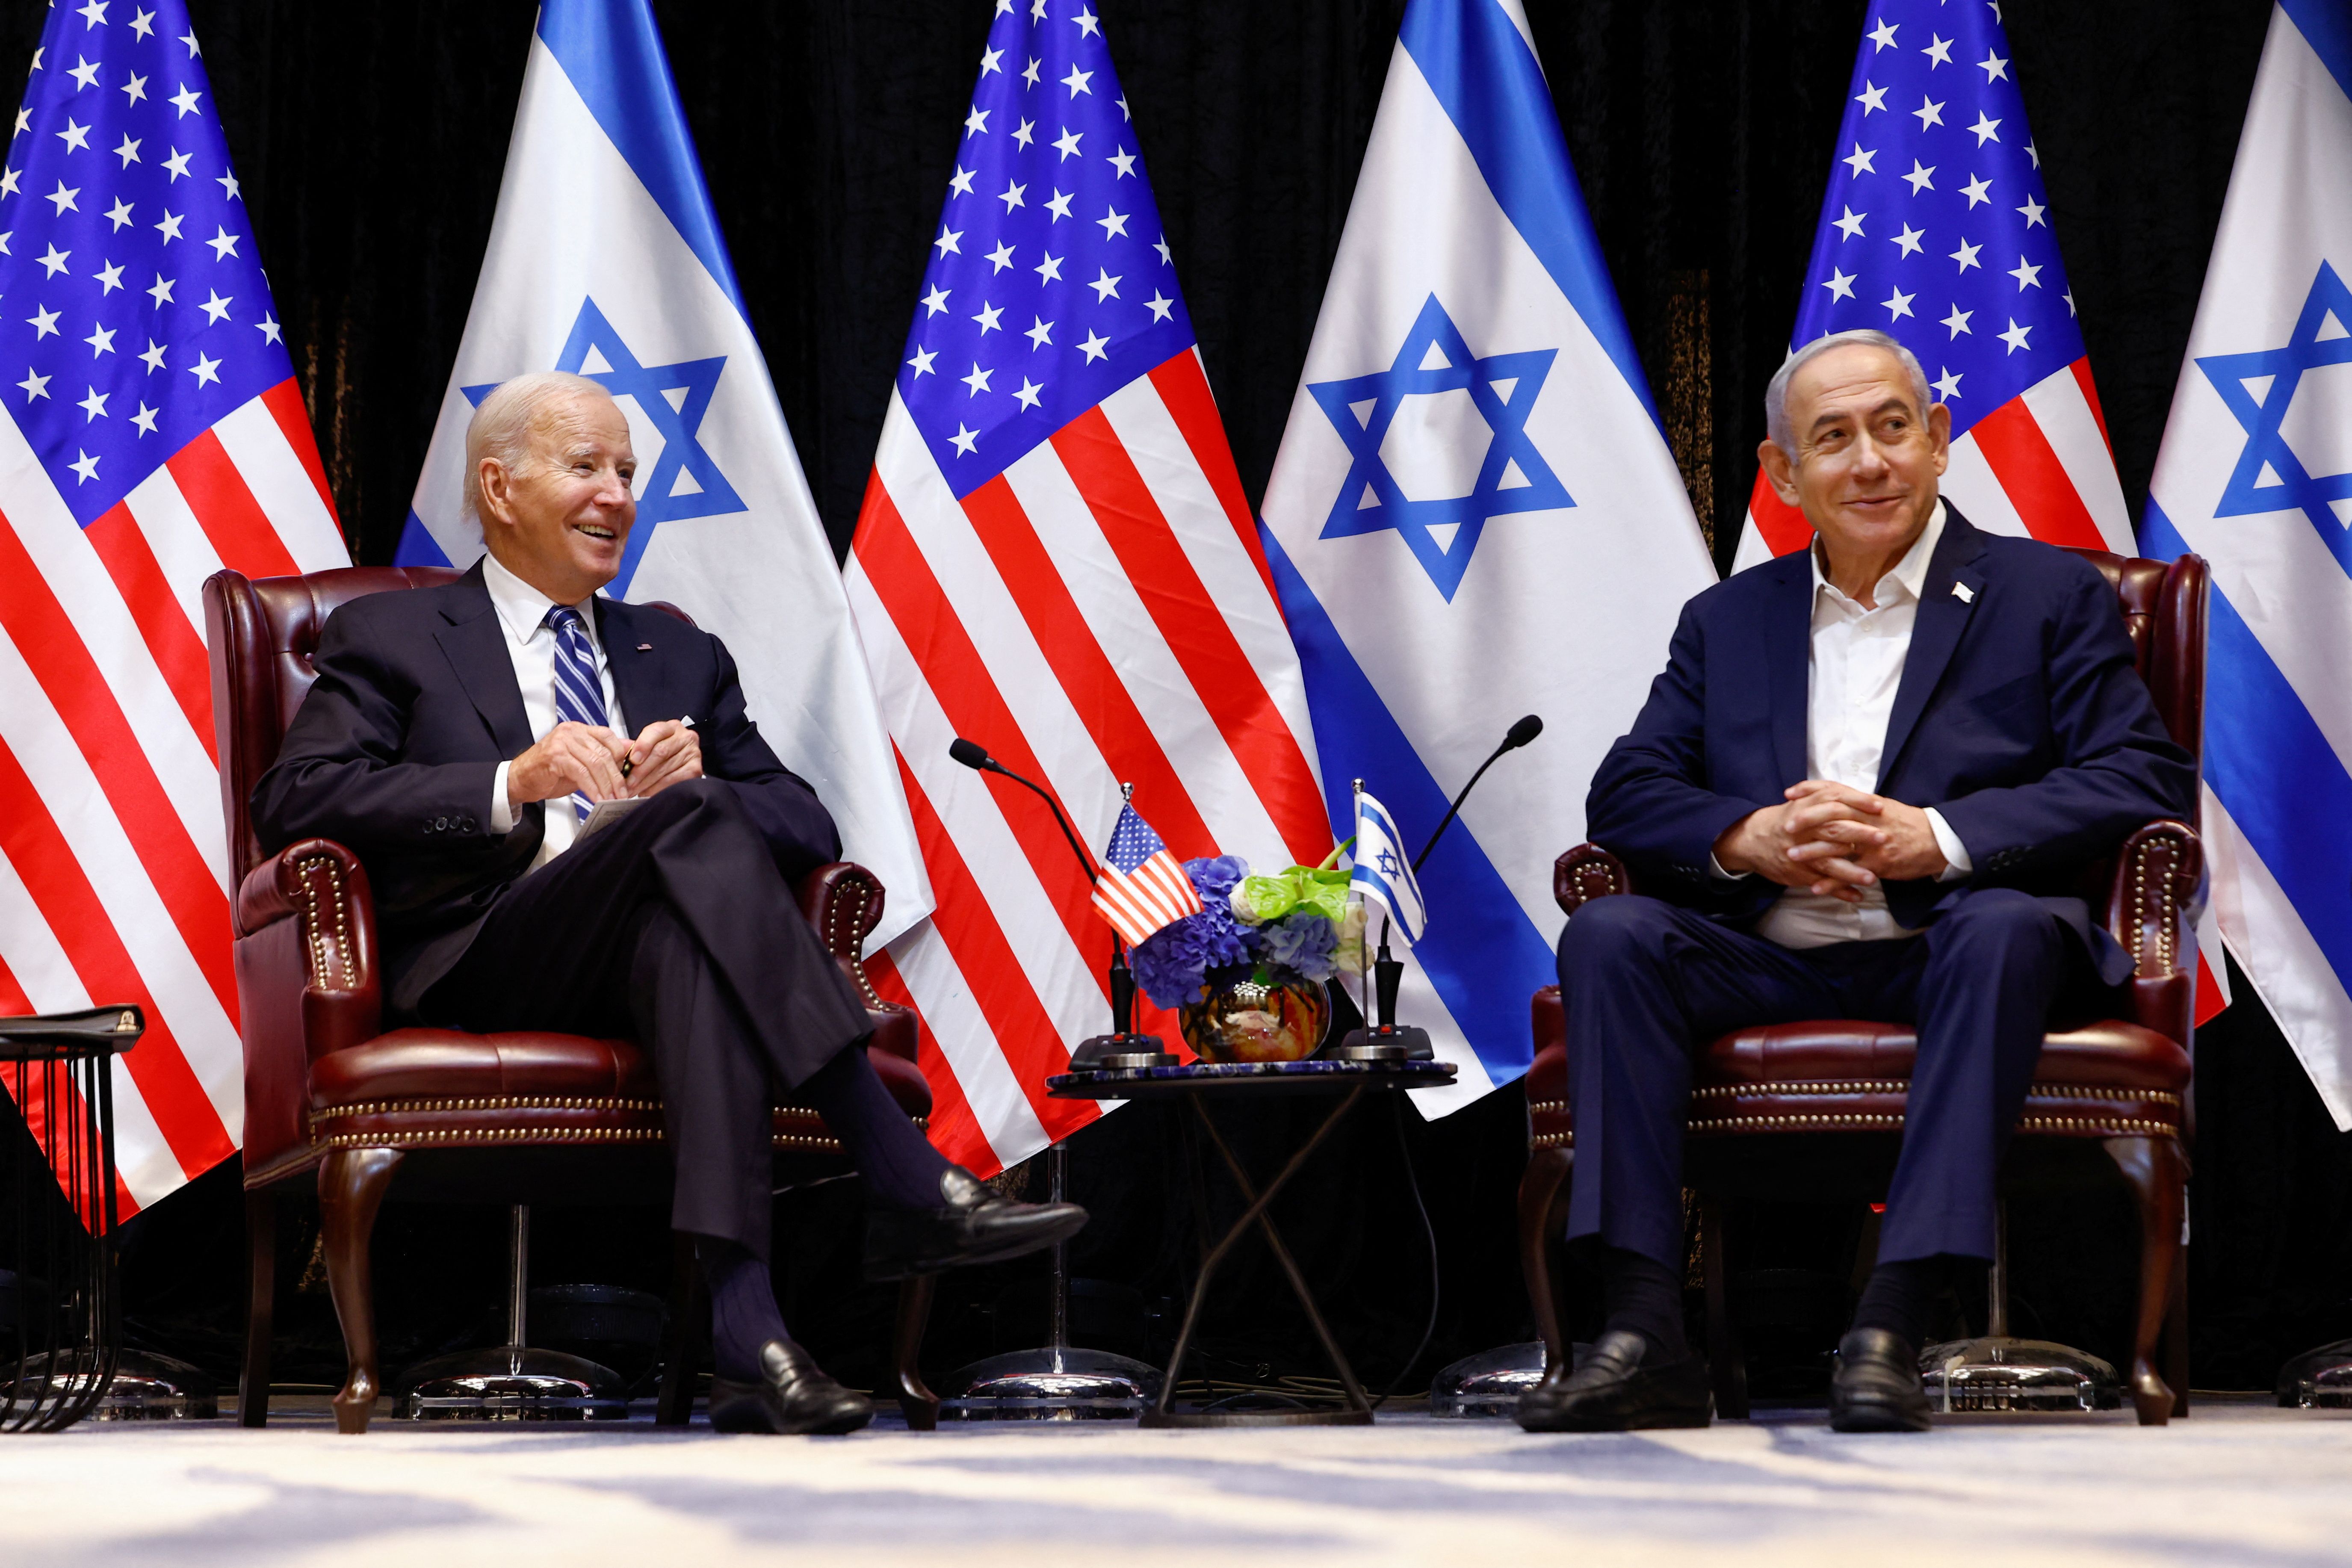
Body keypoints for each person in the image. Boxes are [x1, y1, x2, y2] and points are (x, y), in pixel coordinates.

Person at [252, 372, 1086, 1435]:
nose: (618, 497)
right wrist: (516, 778)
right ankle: (897, 1169)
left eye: (629, 473)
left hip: (647, 951)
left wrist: (701, 787)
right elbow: (298, 799)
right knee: (691, 836)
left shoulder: (676, 651)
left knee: (687, 913)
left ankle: (750, 1335)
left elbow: (804, 823)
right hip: (487, 950)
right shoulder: (395, 635)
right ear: (500, 488)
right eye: (586, 467)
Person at [1516, 330, 2195, 1435]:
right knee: (1614, 936)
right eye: (1831, 438)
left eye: (1891, 426)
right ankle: (1643, 1329)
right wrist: (1751, 834)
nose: (1868, 460)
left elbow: (2137, 771)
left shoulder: (2045, 593)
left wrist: (1938, 836)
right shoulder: (1727, 619)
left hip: (1957, 951)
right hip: (1768, 957)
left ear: (1936, 441)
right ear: (1784, 474)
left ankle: (1890, 1321)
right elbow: (1629, 790)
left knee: (2005, 928)